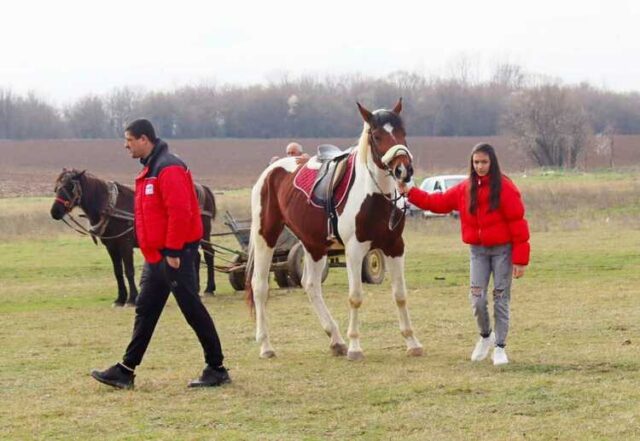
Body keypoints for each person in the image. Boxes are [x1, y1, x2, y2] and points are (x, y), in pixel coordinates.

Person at [91, 119, 230, 389]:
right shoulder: (151, 170)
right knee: (145, 309)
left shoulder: (168, 168)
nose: (125, 145)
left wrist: (174, 250)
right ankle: (125, 370)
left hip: (173, 255)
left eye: (129, 140)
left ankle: (217, 368)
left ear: (144, 139)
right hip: (156, 257)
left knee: (192, 309)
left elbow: (180, 212)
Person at [399, 143, 530, 366]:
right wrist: (411, 193)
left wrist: (520, 260)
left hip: (503, 252)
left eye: (484, 162)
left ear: (492, 162)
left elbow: (518, 223)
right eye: (476, 162)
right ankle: (485, 336)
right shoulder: (464, 189)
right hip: (477, 252)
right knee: (477, 299)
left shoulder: (506, 188)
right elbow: (437, 202)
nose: (480, 166)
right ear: (472, 163)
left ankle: (500, 347)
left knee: (500, 299)